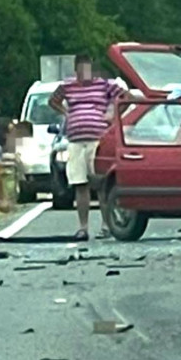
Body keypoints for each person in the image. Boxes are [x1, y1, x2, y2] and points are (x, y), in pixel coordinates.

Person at [49, 54, 127, 241]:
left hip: (97, 140)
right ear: (76, 70)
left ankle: (106, 225)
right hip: (76, 141)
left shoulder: (103, 85)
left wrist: (112, 115)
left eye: (88, 69)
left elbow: (126, 97)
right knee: (80, 184)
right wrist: (67, 113)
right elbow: (53, 100)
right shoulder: (67, 86)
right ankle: (83, 227)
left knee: (100, 184)